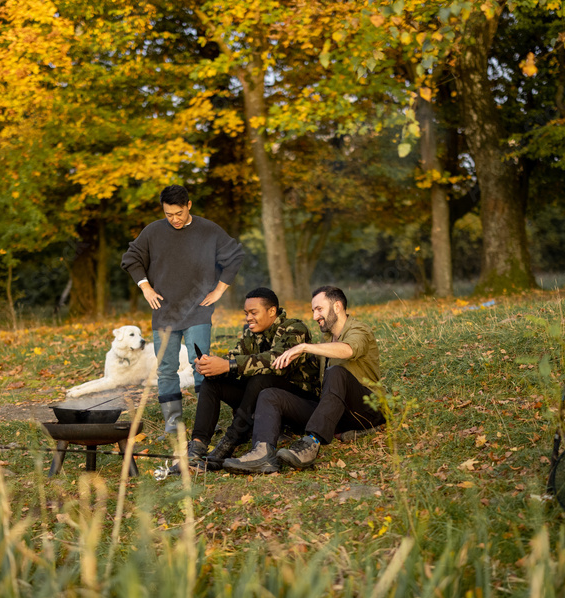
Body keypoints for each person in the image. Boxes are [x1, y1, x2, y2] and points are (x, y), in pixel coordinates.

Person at [121, 185, 245, 434]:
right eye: (169, 214)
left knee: (201, 363)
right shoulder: (154, 231)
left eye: (179, 213)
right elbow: (131, 258)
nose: (174, 219)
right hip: (164, 312)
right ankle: (172, 423)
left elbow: (235, 255)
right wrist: (145, 287)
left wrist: (219, 290)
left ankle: (205, 420)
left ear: (189, 205)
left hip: (198, 310)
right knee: (166, 368)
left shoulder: (208, 230)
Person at [223, 285, 385, 474]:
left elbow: (348, 350)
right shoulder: (327, 339)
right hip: (336, 414)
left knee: (336, 372)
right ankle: (262, 453)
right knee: (270, 395)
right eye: (313, 311)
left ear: (338, 306)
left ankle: (311, 442)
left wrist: (304, 347)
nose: (315, 316)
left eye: (319, 309)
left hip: (367, 409)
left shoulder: (359, 330)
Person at [166, 287, 320, 474]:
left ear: (272, 311)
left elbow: (277, 362)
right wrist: (212, 367)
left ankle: (228, 443)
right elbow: (234, 360)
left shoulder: (295, 328)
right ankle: (196, 451)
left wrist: (228, 365)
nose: (248, 318)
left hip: (298, 404)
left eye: (253, 313)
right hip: (261, 399)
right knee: (212, 383)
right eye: (246, 313)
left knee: (262, 379)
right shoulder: (251, 334)